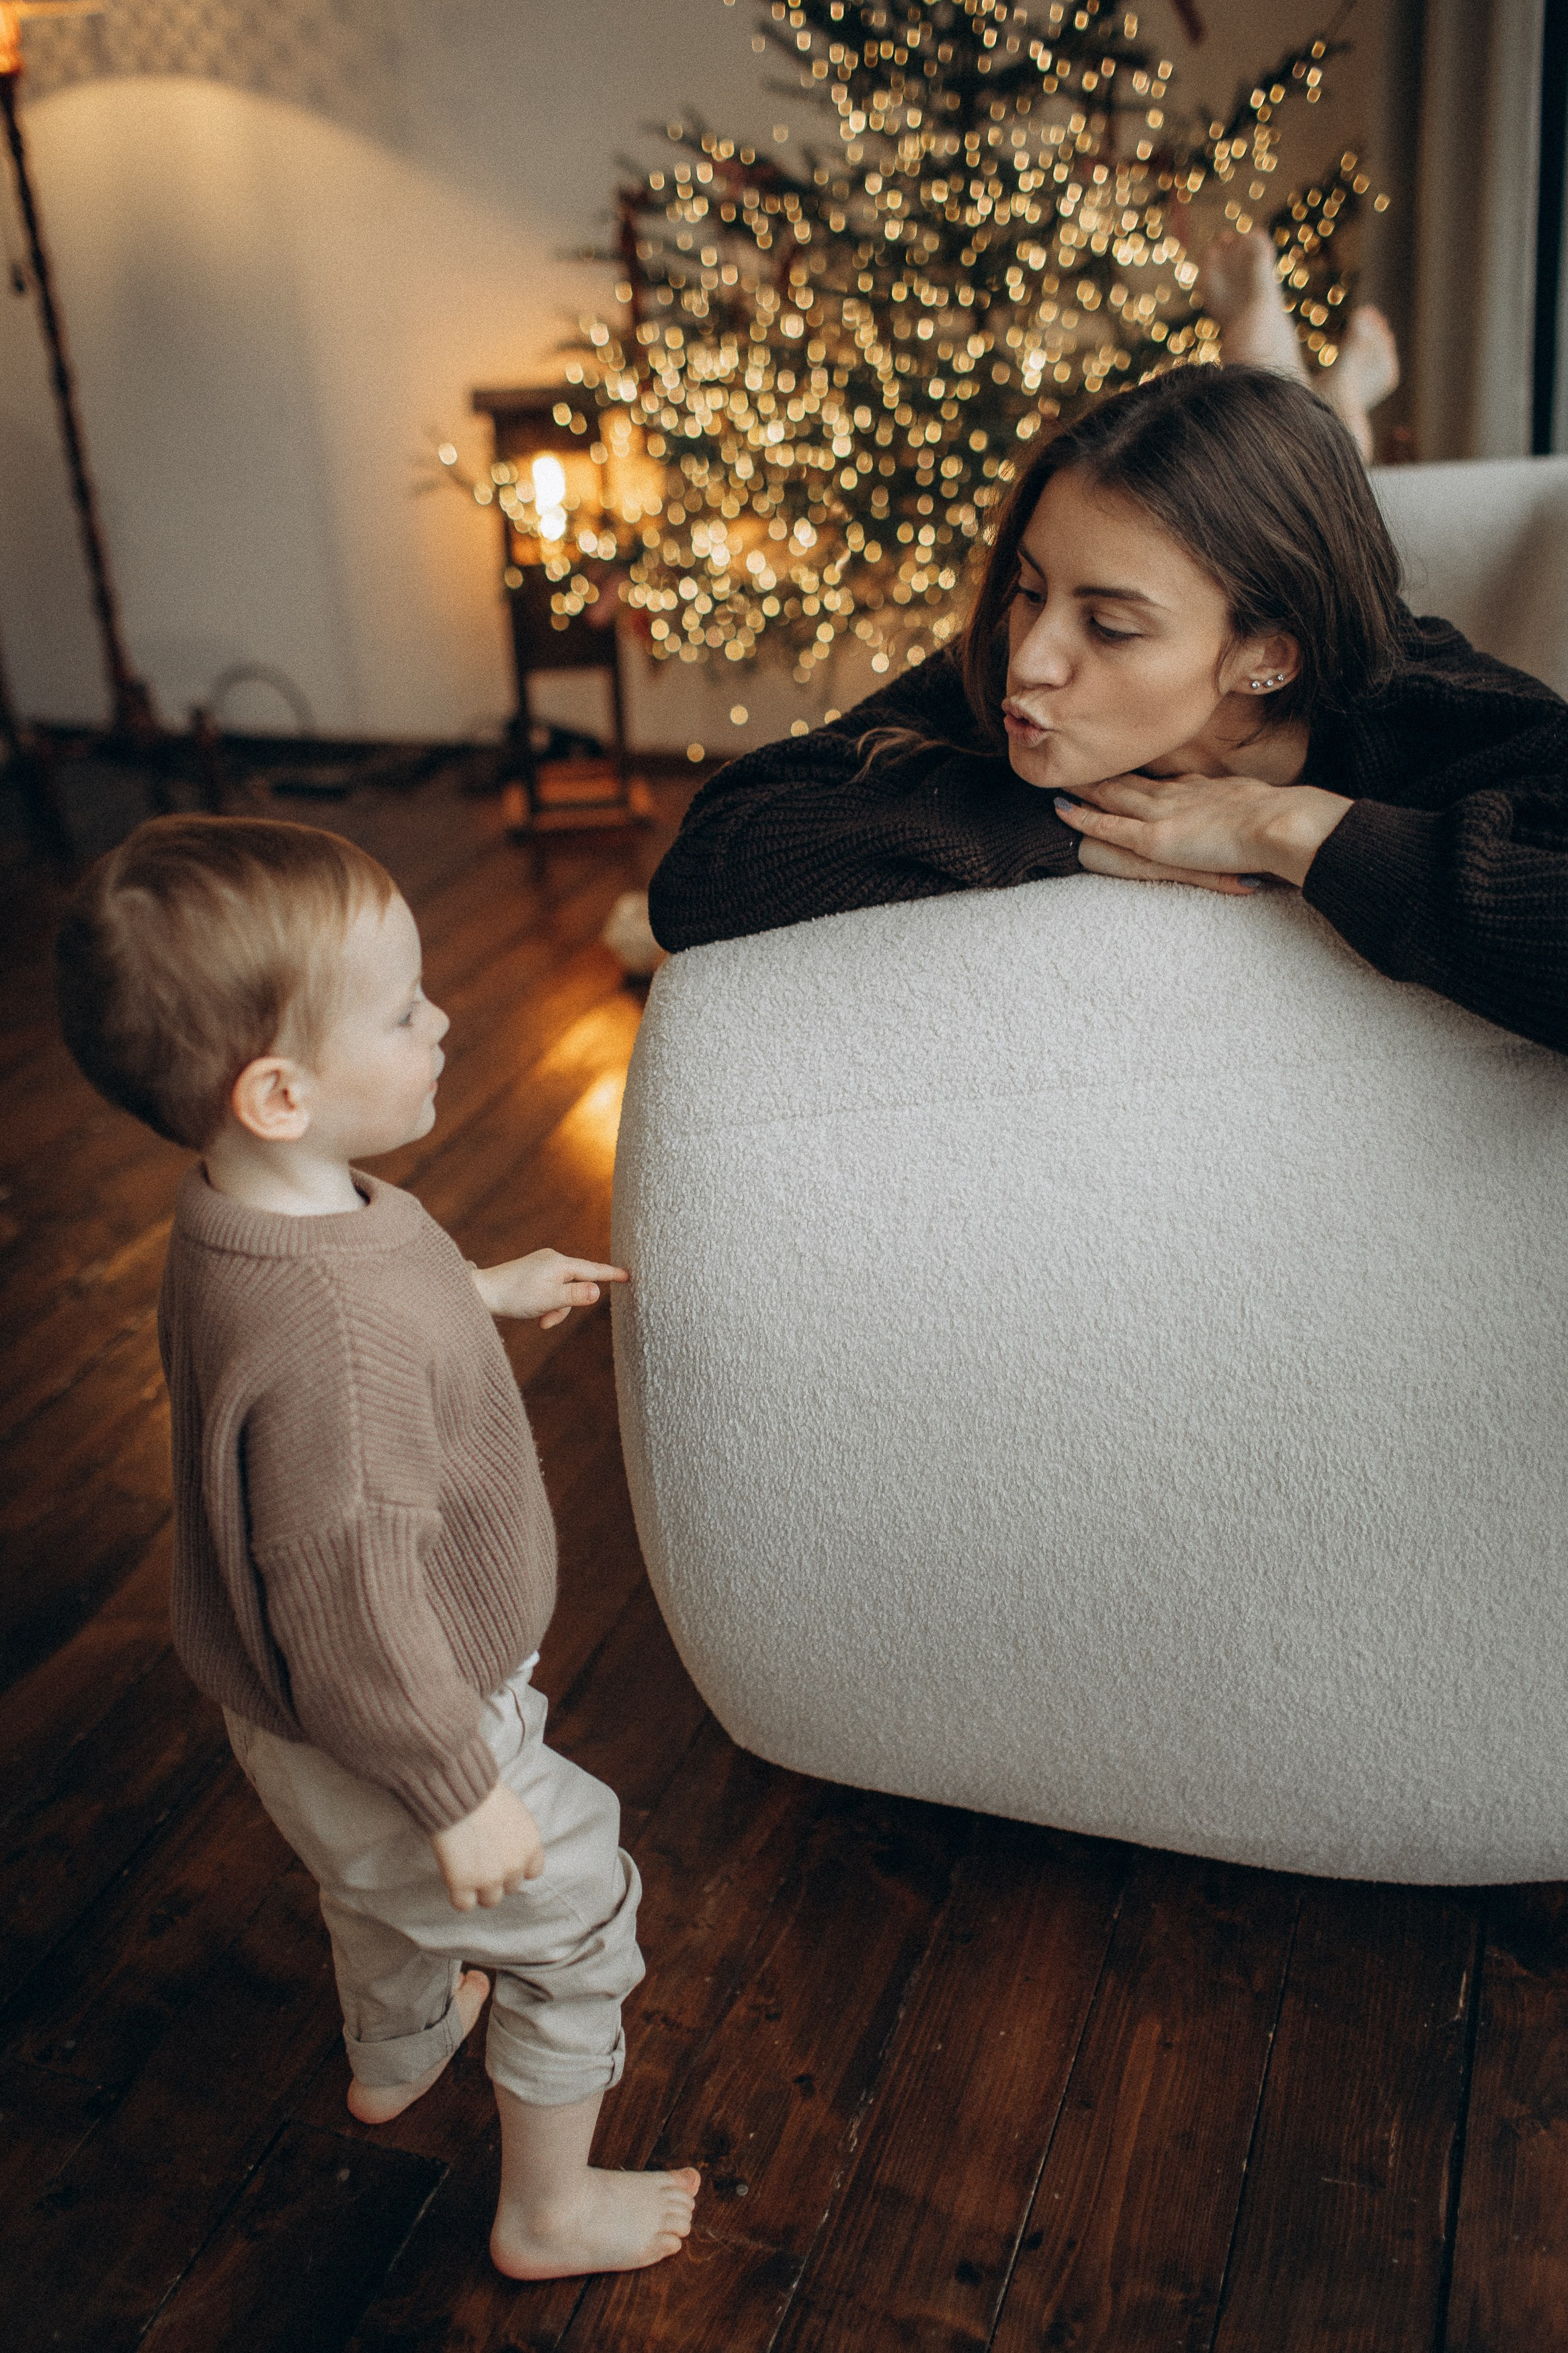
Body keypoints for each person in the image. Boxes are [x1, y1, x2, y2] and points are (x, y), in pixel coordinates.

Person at [54, 814, 700, 2282]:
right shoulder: (332, 1347)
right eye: (405, 1009)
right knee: (580, 1902)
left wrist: (476, 1287)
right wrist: (456, 1788)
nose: (444, 1016)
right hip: (394, 1718)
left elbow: (331, 1342)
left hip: (306, 1725)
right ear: (279, 1090)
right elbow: (346, 1603)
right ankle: (547, 2208)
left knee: (381, 1893)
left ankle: (399, 2056)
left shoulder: (250, 1212)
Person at [647, 363, 1568, 1056]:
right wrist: (1072, 821)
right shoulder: (1009, 671)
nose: (1031, 659)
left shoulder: (1444, 715)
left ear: (1266, 659)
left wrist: (1299, 829)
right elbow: (703, 872)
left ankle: (1337, 383)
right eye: (1027, 587)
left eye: (1112, 626)